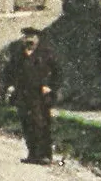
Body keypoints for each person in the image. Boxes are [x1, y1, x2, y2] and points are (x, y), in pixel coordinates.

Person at [5, 26, 60, 164]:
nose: (29, 40)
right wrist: (11, 85)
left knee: (41, 123)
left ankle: (45, 155)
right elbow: (9, 72)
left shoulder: (46, 54)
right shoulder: (18, 55)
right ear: (23, 39)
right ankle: (32, 154)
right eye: (26, 37)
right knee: (27, 123)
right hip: (23, 94)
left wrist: (50, 86)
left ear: (38, 39)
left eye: (32, 37)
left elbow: (58, 72)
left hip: (40, 95)